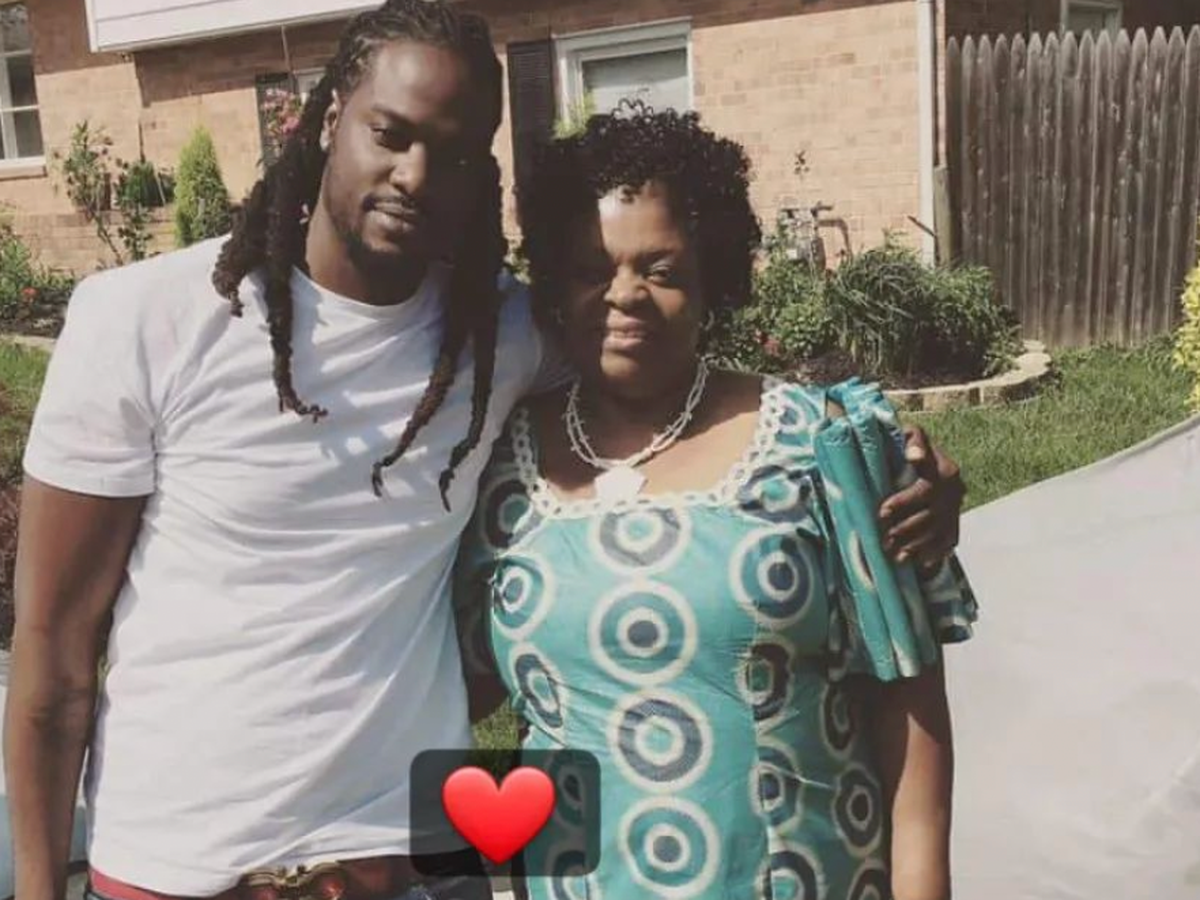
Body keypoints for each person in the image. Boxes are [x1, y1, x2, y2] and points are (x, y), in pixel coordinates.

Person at [4, 1, 966, 898]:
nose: (416, 175)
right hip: (180, 864)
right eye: (391, 133)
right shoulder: (145, 321)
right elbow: (52, 653)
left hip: (408, 859)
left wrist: (885, 465)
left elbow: (666, 361)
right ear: (328, 117)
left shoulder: (498, 338)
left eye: (457, 153)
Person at [453, 105, 978, 900]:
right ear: (555, 287)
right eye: (594, 268)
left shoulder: (821, 443)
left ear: (712, 284)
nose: (625, 294)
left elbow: (907, 695)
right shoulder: (495, 467)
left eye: (661, 270)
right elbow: (458, 689)